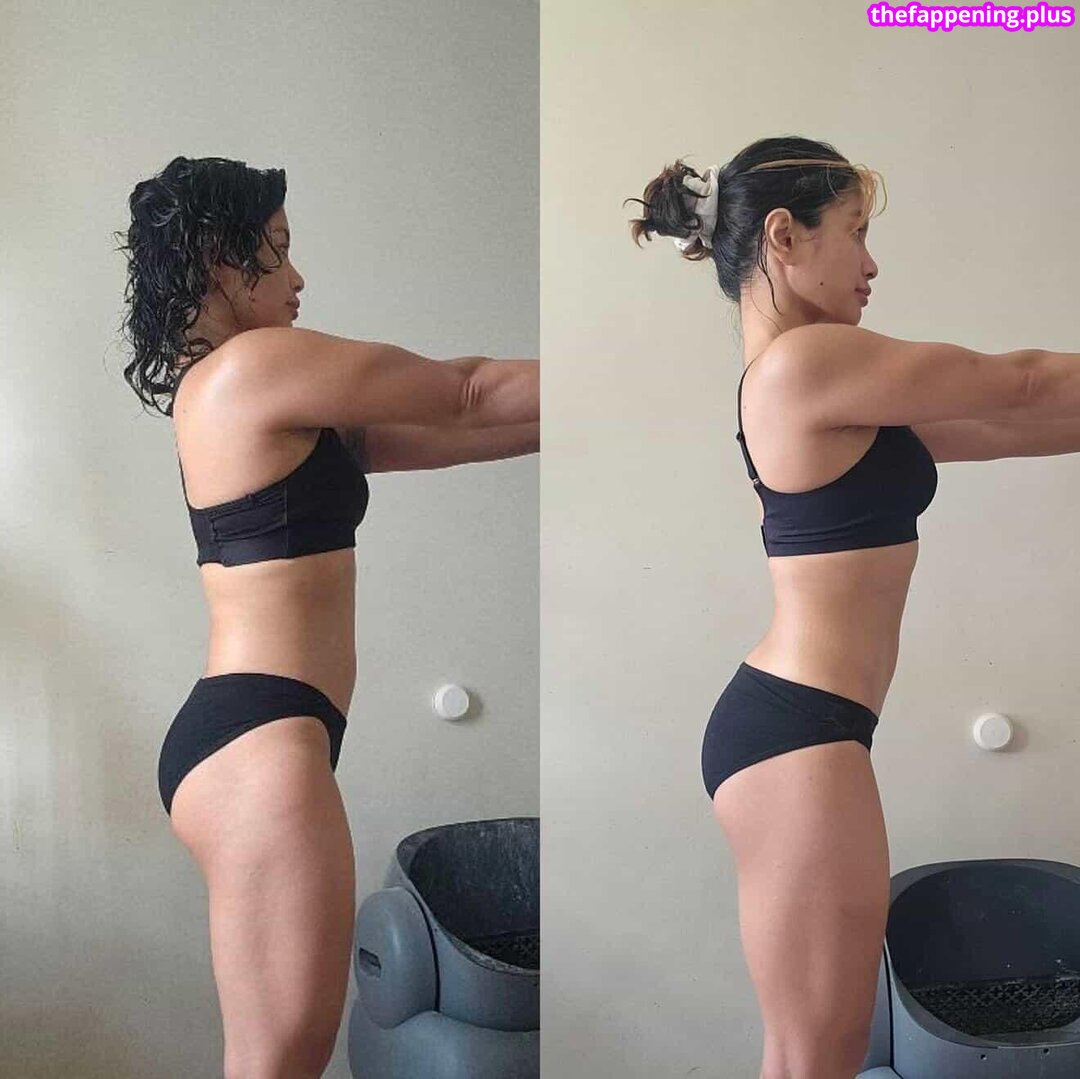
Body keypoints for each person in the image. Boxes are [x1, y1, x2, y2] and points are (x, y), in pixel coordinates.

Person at [627, 135, 1080, 1079]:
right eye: (857, 231)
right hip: (797, 738)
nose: (872, 264)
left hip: (802, 729)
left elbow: (1008, 423)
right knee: (817, 1053)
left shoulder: (812, 381)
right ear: (784, 237)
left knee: (816, 1049)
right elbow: (1024, 380)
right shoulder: (808, 365)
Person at [114, 155, 539, 1079]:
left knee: (276, 1059)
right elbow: (464, 390)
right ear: (221, 260)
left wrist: (596, 416)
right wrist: (611, 377)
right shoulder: (253, 368)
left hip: (253, 737)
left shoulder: (251, 396)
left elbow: (461, 430)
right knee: (278, 1062)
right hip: (258, 749)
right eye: (278, 249)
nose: (298, 277)